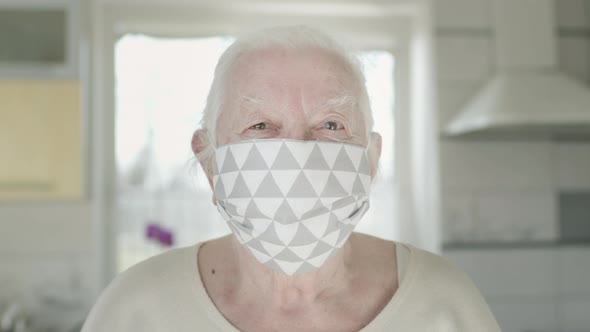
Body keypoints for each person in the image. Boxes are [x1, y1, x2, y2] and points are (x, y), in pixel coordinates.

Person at [82, 26, 500, 332]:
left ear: (371, 161)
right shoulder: (134, 311)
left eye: (332, 125)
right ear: (209, 163)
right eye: (260, 125)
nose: (297, 148)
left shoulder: (446, 303)